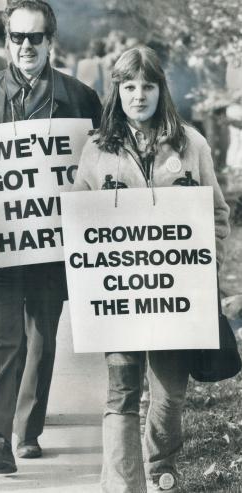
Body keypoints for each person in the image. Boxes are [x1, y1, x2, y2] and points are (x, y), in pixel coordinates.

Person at [0, 0, 101, 474]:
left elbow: (98, 170)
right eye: (18, 38)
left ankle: (28, 430)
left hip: (54, 245)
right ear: (7, 41)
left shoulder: (80, 98)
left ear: (51, 41)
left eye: (36, 37)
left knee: (42, 338)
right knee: (2, 339)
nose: (26, 46)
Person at [72, 46, 230, 492]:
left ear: (162, 90)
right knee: (121, 392)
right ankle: (122, 485)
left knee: (168, 395)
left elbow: (217, 213)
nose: (138, 96)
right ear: (116, 91)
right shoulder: (98, 150)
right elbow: (82, 222)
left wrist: (204, 266)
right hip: (121, 301)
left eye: (147, 86)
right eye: (128, 87)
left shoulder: (191, 144)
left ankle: (162, 467)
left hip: (174, 298)